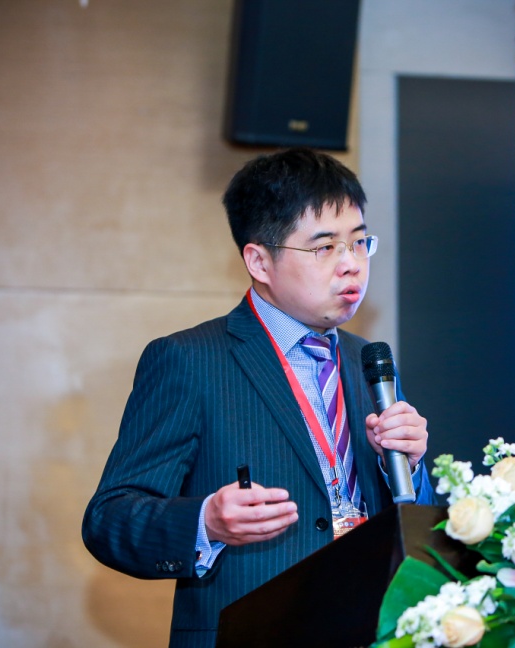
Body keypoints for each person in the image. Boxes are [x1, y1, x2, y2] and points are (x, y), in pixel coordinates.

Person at [82, 148, 436, 647]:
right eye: (324, 248)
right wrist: (206, 522)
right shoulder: (191, 360)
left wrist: (408, 467)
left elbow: (413, 527)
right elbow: (109, 520)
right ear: (259, 261)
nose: (351, 265)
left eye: (359, 243)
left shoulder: (370, 363)